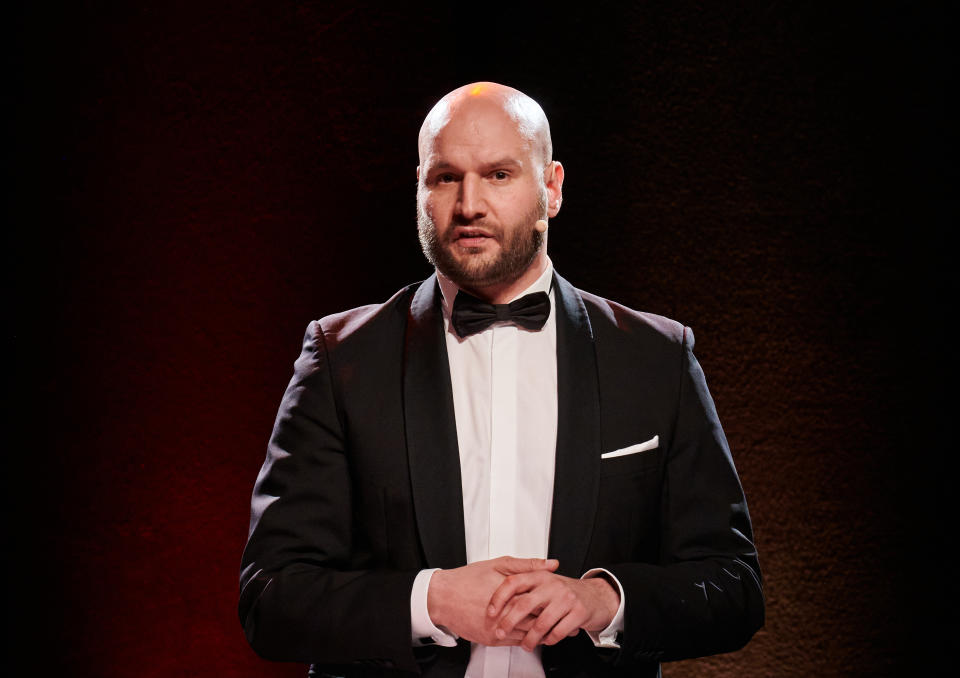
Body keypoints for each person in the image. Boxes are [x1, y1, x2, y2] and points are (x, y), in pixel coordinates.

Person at [239, 82, 764, 678]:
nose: (469, 205)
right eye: (445, 177)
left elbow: (733, 585)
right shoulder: (341, 359)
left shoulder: (655, 357)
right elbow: (271, 596)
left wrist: (604, 601)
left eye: (498, 175)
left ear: (552, 187)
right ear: (419, 186)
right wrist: (429, 600)